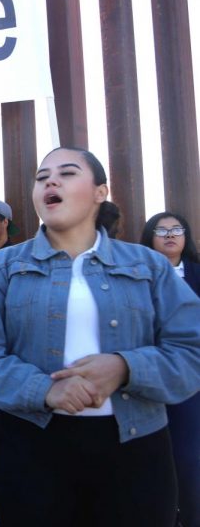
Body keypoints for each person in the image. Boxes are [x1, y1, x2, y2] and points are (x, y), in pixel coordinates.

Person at [0, 147, 200, 527]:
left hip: (136, 449)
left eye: (67, 173)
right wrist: (43, 390)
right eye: (41, 177)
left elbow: (191, 350)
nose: (50, 181)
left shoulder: (147, 265)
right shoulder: (2, 267)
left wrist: (125, 367)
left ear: (100, 191)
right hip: (29, 449)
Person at [140, 211, 200, 527]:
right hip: (147, 377)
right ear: (149, 238)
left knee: (190, 460)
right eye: (161, 231)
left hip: (191, 381)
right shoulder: (137, 274)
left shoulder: (198, 274)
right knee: (155, 458)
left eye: (177, 229)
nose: (170, 235)